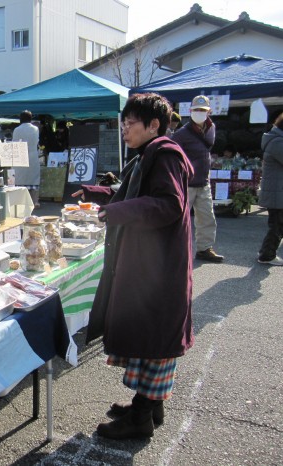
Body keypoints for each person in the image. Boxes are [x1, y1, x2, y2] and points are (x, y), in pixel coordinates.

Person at [82, 93, 194, 440]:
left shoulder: (165, 154)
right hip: (152, 264)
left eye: (130, 123)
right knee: (150, 339)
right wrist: (97, 194)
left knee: (155, 339)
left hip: (159, 268)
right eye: (123, 123)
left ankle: (141, 417)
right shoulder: (150, 153)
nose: (124, 129)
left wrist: (114, 211)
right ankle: (149, 405)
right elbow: (129, 191)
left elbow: (168, 204)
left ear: (153, 125)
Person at [172, 95, 224, 262]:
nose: (199, 113)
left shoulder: (211, 128)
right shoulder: (180, 134)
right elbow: (173, 157)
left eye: (202, 110)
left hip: (203, 182)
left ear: (209, 111)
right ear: (190, 111)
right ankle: (173, 249)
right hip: (186, 183)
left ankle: (204, 249)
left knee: (207, 218)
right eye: (196, 110)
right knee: (178, 219)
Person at [257, 111, 283, 266]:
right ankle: (267, 255)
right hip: (276, 191)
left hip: (276, 189)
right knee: (277, 225)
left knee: (277, 224)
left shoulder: (275, 139)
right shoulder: (277, 142)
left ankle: (266, 252)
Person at [12, 110, 41, 207]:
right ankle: (35, 201)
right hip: (33, 156)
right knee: (34, 180)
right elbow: (36, 142)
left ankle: (21, 202)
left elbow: (14, 144)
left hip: (20, 157)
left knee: (20, 180)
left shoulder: (17, 130)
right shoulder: (35, 129)